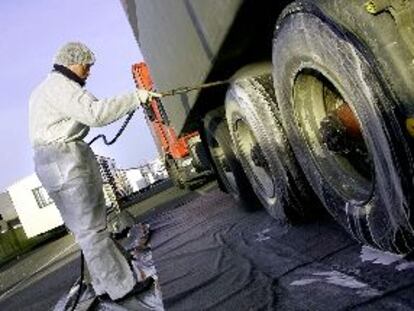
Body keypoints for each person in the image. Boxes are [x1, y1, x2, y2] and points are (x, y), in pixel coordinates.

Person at [29, 42, 160, 301]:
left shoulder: (47, 89)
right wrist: (136, 96)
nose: (89, 71)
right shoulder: (61, 87)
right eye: (86, 66)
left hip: (56, 162)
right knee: (91, 231)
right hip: (64, 162)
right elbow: (95, 113)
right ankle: (121, 287)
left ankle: (104, 283)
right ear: (70, 62)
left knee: (90, 229)